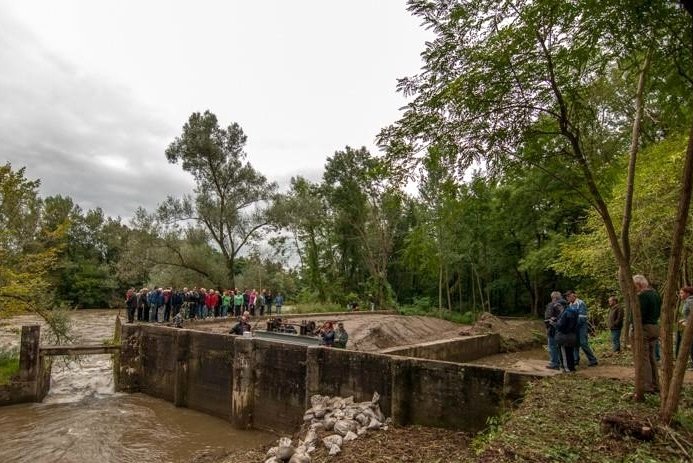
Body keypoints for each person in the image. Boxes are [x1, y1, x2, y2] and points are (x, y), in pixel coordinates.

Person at [633, 274, 661, 394]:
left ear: (639, 285)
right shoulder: (655, 294)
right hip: (654, 326)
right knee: (651, 357)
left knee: (644, 358)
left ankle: (647, 386)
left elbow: (639, 315)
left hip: (644, 328)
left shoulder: (643, 296)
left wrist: (634, 328)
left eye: (635, 286)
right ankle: (655, 384)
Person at [565, 290, 598, 367]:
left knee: (583, 343)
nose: (568, 298)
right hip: (574, 327)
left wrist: (573, 325)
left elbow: (582, 317)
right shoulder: (570, 305)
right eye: (567, 296)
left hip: (582, 327)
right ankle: (575, 360)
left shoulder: (580, 303)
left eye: (569, 296)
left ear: (574, 295)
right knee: (574, 344)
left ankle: (593, 360)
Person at [555, 298, 579, 373]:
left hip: (565, 337)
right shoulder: (573, 311)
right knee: (570, 352)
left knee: (564, 353)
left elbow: (561, 325)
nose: (558, 308)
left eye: (558, 306)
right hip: (572, 336)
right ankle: (572, 368)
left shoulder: (565, 313)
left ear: (562, 306)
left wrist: (555, 323)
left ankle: (567, 369)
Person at [544, 291, 565, 370]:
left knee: (552, 346)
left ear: (553, 297)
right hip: (560, 329)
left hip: (552, 329)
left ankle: (554, 363)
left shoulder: (552, 305)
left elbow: (548, 318)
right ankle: (559, 362)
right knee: (558, 346)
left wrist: (547, 325)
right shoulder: (564, 306)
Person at [675, 286, 693, 367]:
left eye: (682, 293)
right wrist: (684, 320)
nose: (680, 295)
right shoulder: (686, 301)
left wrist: (687, 322)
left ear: (688, 293)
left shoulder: (690, 301)